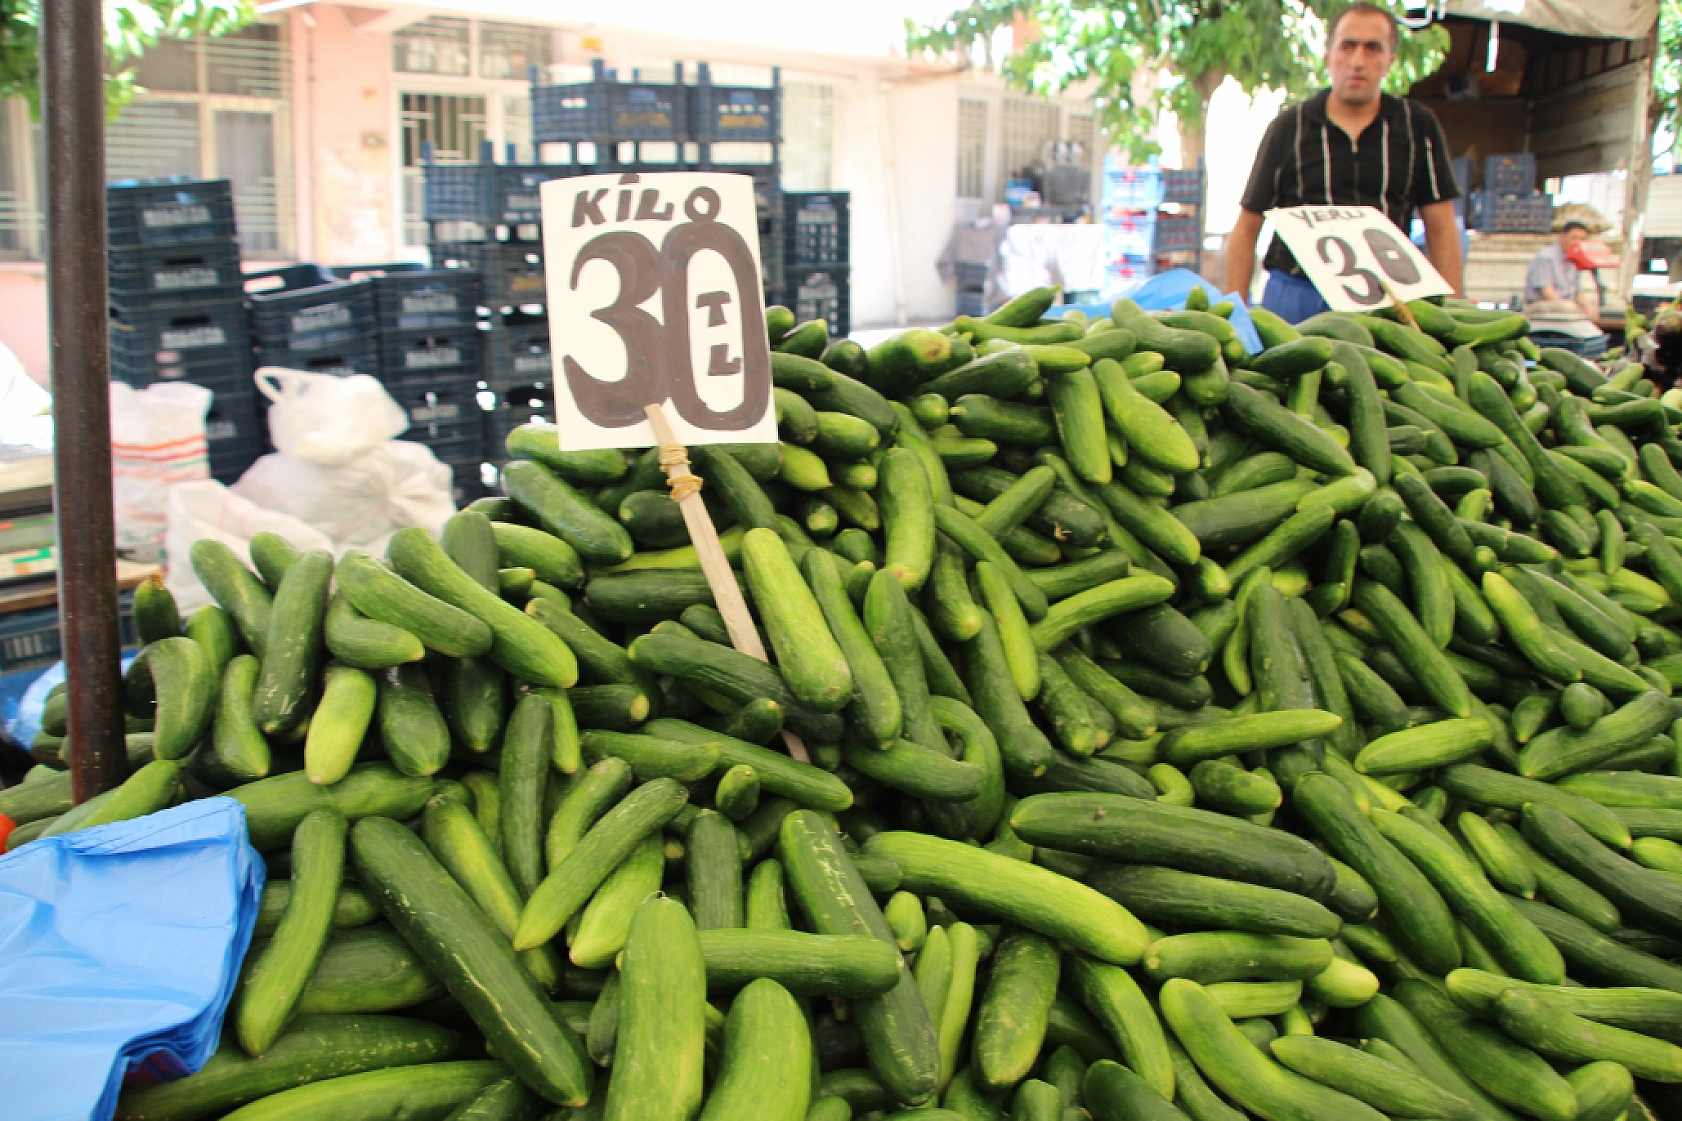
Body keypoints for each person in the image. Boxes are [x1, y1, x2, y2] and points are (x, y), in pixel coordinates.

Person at [1224, 1, 1464, 322]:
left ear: (1390, 61)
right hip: (1295, 295)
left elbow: (1442, 228)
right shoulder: (1289, 128)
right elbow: (1246, 227)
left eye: (1372, 49)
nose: (1358, 61)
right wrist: (1236, 315)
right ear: (1329, 56)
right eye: (1347, 47)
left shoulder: (1417, 125)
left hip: (1387, 300)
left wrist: (1453, 317)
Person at [1524, 220, 1589, 306]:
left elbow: (1578, 292)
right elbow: (1546, 291)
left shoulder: (1576, 258)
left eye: (1582, 239)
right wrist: (1566, 308)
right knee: (1569, 309)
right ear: (1562, 236)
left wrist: (1589, 310)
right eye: (1574, 238)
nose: (1577, 243)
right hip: (1542, 304)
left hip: (1567, 304)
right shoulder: (1546, 256)